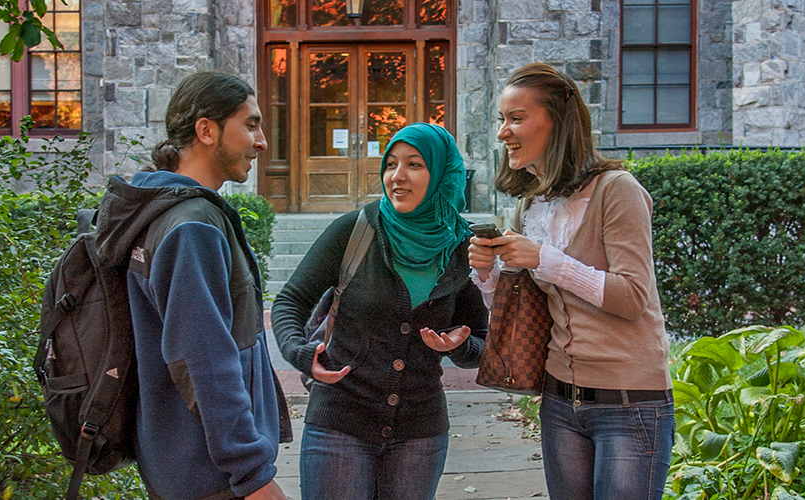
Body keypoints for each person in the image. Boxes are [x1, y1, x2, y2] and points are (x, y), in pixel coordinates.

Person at [469, 62, 674, 499]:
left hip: (628, 402)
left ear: (557, 122)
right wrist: (487, 273)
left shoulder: (617, 190)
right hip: (561, 402)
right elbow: (525, 311)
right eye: (500, 120)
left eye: (516, 118)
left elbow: (633, 297)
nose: (502, 132)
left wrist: (546, 259)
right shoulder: (533, 206)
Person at [94, 71, 292, 500]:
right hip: (211, 477)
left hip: (179, 465)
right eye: (251, 124)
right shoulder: (190, 226)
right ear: (207, 130)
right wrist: (253, 475)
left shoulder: (159, 210)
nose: (260, 142)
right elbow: (204, 360)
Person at [271, 122, 488, 500]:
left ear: (441, 173)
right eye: (390, 164)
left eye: (415, 165)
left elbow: (481, 344)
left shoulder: (462, 248)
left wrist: (459, 346)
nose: (397, 177)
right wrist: (300, 353)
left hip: (420, 432)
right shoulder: (354, 231)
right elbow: (290, 301)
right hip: (340, 424)